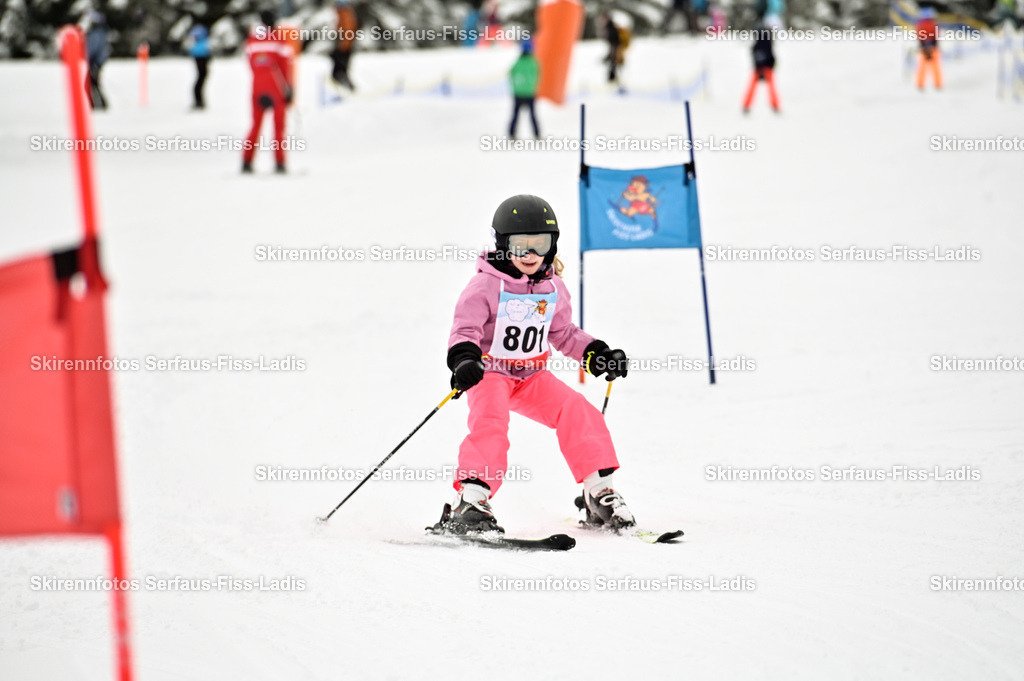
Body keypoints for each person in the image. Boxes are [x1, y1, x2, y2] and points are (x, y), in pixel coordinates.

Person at [435, 195, 633, 535]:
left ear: (552, 245)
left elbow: (564, 333)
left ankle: (598, 492)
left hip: (530, 376)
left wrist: (595, 353)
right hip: (489, 372)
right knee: (490, 422)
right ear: (502, 246)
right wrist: (464, 359)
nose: (530, 255)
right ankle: (472, 499)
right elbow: (464, 329)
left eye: (539, 245)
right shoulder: (485, 285)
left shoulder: (552, 287)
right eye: (519, 246)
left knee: (578, 409)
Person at [241, 10, 294, 174]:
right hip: (275, 87)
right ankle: (280, 163)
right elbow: (285, 66)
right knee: (278, 127)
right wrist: (289, 87)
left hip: (257, 86)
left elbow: (250, 63)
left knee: (255, 125)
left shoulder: (252, 39)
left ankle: (246, 161)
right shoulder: (279, 39)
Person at [742, 21, 780, 113]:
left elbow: (761, 54)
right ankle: (774, 106)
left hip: (763, 67)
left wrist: (761, 66)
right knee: (767, 87)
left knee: (766, 87)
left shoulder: (762, 40)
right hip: (765, 66)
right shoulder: (766, 40)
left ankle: (747, 105)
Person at [508, 40, 540, 139]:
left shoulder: (518, 62)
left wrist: (515, 87)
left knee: (515, 115)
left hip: (518, 93)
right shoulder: (533, 62)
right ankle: (536, 134)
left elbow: (511, 74)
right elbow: (537, 76)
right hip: (530, 93)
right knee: (532, 115)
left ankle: (512, 133)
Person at [84, 11, 110, 110]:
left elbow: (93, 49)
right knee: (92, 84)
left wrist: (92, 62)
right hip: (96, 62)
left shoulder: (96, 33)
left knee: (93, 84)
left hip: (95, 63)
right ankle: (95, 104)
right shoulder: (99, 32)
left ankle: (99, 104)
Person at [331, 0, 357, 89]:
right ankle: (339, 82)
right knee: (339, 68)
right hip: (343, 45)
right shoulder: (341, 13)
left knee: (340, 69)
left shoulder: (344, 13)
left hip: (344, 47)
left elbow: (348, 31)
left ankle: (342, 83)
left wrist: (343, 47)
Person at [916, 7, 943, 91]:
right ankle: (938, 84)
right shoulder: (934, 24)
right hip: (933, 48)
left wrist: (924, 46)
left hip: (924, 48)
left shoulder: (920, 25)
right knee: (935, 67)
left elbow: (919, 37)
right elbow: (936, 36)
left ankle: (920, 84)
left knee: (922, 67)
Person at [186, 24, 211, 109]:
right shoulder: (202, 43)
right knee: (200, 80)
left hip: (200, 59)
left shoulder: (198, 43)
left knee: (199, 81)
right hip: (201, 59)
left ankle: (199, 101)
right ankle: (199, 102)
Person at [600, 11, 625, 85]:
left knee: (613, 66)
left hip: (615, 50)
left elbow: (615, 42)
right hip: (614, 50)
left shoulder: (611, 27)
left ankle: (613, 82)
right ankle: (613, 81)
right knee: (613, 66)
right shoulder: (610, 26)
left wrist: (611, 54)